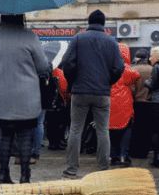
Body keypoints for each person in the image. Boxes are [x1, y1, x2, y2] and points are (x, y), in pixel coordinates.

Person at [0, 14, 50, 184]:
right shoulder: (30, 37)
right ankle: (25, 176)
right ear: (21, 17)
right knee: (25, 136)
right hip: (26, 96)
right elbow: (43, 66)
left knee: (6, 134)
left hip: (1, 95)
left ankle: (3, 175)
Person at [61, 10, 124, 179]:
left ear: (89, 22)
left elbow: (67, 63)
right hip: (102, 93)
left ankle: (72, 169)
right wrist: (107, 82)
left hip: (80, 91)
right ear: (103, 24)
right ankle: (103, 169)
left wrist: (73, 80)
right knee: (103, 131)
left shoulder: (78, 39)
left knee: (75, 129)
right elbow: (119, 68)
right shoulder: (112, 42)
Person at [109, 43, 140, 167]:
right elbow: (136, 75)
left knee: (110, 131)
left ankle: (112, 156)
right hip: (124, 101)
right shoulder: (125, 68)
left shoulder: (108, 67)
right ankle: (123, 156)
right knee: (126, 129)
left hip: (109, 100)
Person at [129, 49, 153, 159]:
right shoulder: (153, 69)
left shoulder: (132, 69)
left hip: (136, 103)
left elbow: (131, 88)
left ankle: (135, 151)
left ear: (137, 59)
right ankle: (144, 152)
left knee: (136, 128)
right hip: (150, 103)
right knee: (147, 128)